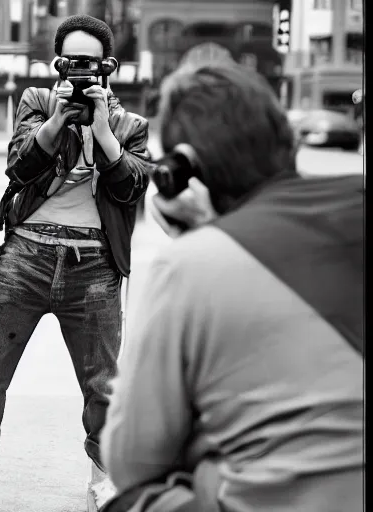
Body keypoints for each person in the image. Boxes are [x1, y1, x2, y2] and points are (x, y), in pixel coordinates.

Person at [100, 64, 364, 512]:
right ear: (289, 140)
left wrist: (203, 238)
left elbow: (132, 461)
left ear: (184, 167)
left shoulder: (191, 265)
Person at [0, 14, 150, 512]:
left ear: (108, 65)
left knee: (104, 387)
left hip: (95, 266)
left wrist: (105, 134)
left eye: (91, 63)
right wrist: (56, 123)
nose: (81, 73)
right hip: (25, 255)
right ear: (58, 62)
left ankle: (105, 483)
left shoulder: (131, 125)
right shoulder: (38, 103)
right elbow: (18, 167)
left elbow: (131, 189)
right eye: (72, 62)